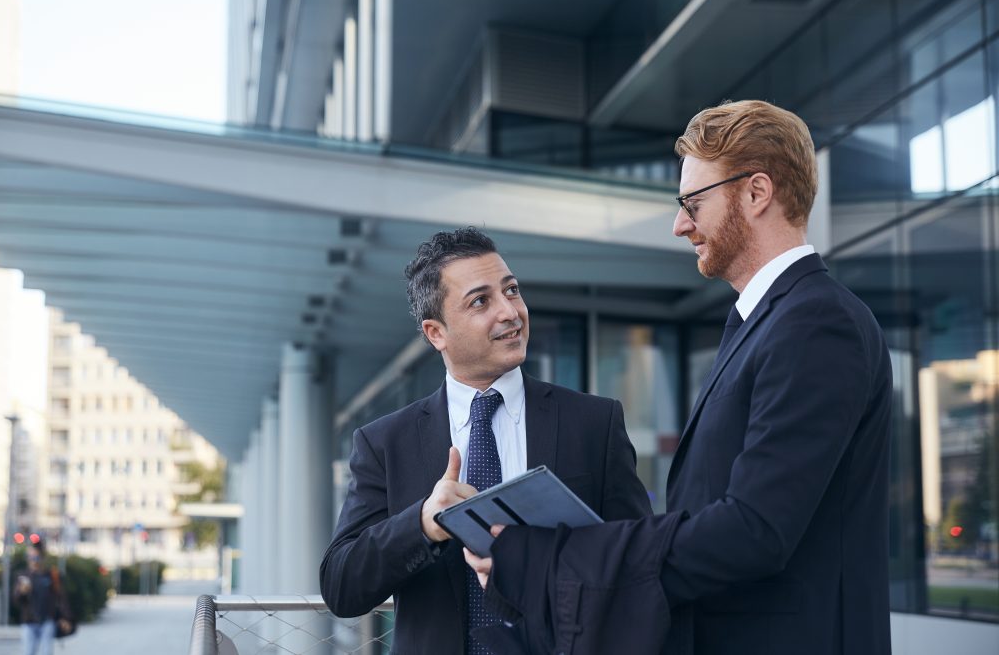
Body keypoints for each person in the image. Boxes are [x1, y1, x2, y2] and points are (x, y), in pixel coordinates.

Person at [471, 100, 893, 655]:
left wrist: (558, 557)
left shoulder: (816, 322)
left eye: (694, 202)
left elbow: (755, 531)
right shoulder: (768, 321)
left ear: (756, 192)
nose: (680, 224)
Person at [320, 227, 652, 654]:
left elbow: (640, 560)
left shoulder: (593, 422)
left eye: (511, 291)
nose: (510, 312)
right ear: (436, 333)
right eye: (481, 301)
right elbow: (341, 586)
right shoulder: (385, 442)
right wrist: (423, 522)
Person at [12, 541, 72, 655]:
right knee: (28, 652)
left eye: (36, 557)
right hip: (29, 622)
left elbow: (61, 598)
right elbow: (16, 600)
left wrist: (66, 618)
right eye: (29, 557)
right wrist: (22, 592)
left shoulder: (51, 576)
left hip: (47, 622)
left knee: (47, 652)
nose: (33, 561)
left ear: (42, 558)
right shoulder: (23, 576)